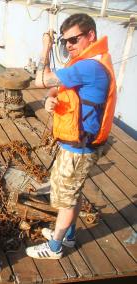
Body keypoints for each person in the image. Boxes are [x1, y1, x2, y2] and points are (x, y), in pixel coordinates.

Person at [25, 13, 117, 259]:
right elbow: (56, 84)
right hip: (78, 142)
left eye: (74, 40)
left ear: (91, 36)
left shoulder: (89, 66)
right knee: (71, 192)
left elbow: (40, 79)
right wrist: (50, 98)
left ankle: (55, 247)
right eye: (64, 41)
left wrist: (45, 48)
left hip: (79, 147)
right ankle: (69, 234)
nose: (68, 46)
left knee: (65, 199)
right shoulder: (86, 59)